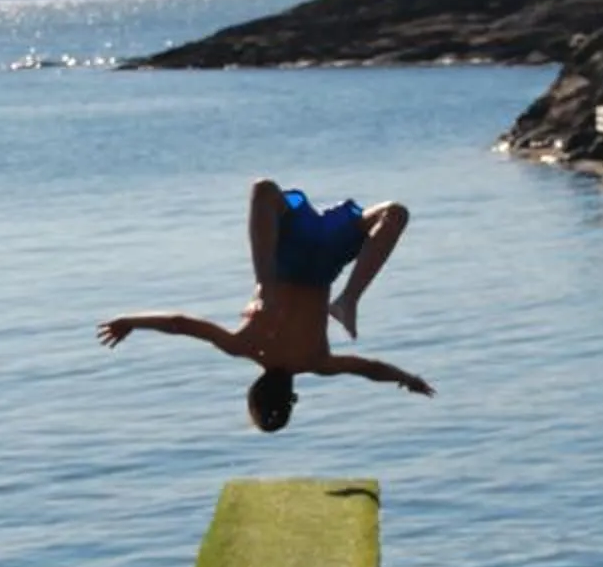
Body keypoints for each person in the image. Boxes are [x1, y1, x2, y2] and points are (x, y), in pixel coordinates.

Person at [98, 177, 434, 429]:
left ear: (291, 396)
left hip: (308, 263)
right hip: (313, 261)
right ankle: (346, 299)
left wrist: (406, 378)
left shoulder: (314, 360)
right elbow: (180, 324)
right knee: (265, 190)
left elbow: (370, 369)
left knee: (394, 214)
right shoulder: (247, 346)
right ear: (254, 389)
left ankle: (332, 296)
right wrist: (130, 321)